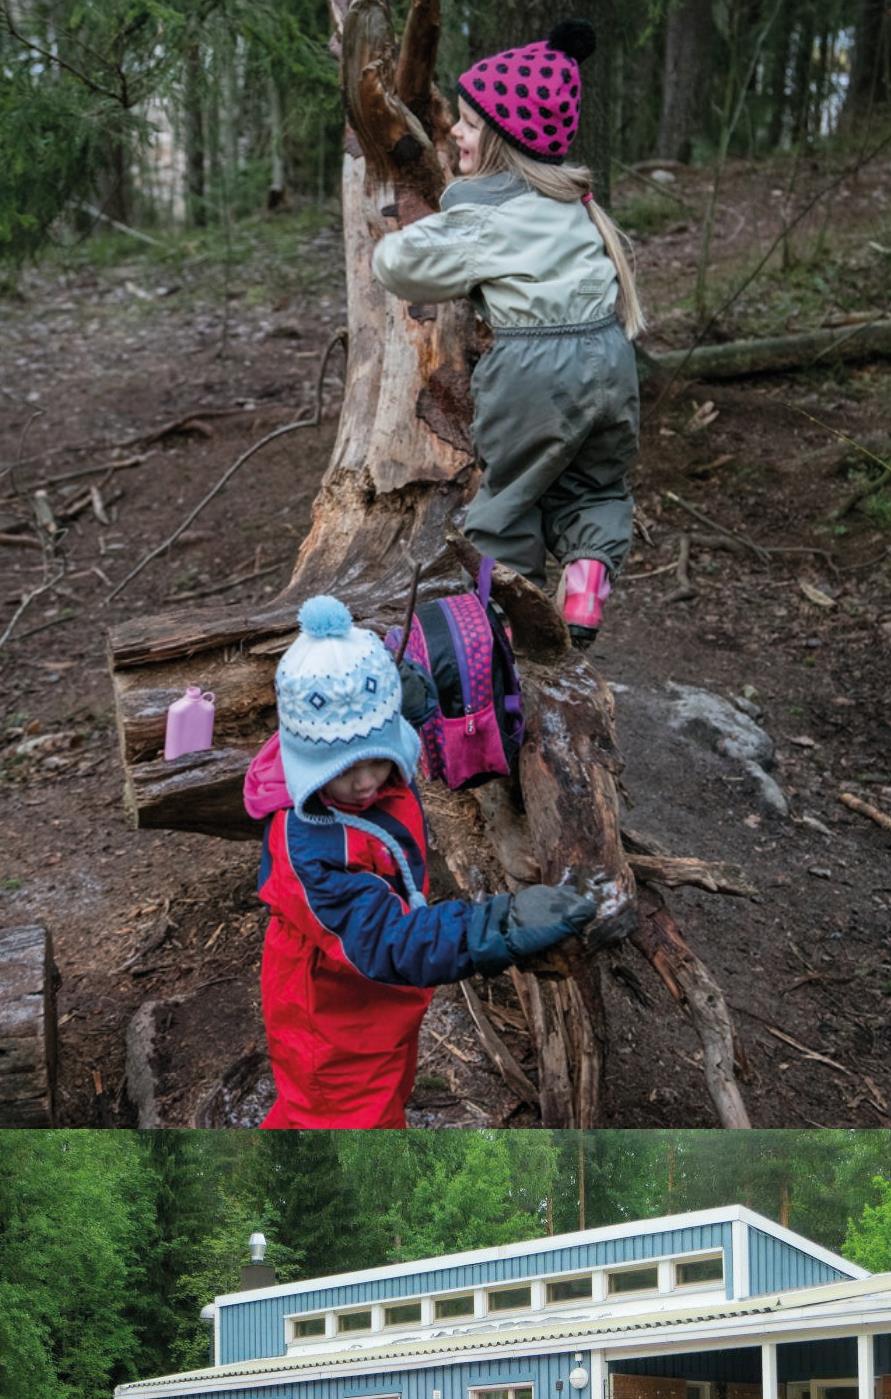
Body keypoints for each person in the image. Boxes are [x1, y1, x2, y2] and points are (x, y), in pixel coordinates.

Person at [244, 598, 633, 1129]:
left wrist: (404, 696)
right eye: (342, 767)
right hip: (334, 1021)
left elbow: (367, 725)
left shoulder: (357, 759)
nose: (366, 781)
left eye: (378, 756)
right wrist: (496, 927)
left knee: (367, 1100)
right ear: (307, 758)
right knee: (346, 1123)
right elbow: (384, 941)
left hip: (380, 1003)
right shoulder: (310, 850)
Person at [372, 21, 643, 645]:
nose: (456, 132)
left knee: (513, 493)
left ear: (500, 138)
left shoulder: (488, 212)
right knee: (594, 485)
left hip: (535, 376)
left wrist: (409, 231)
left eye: (467, 123)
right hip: (609, 360)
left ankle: (507, 630)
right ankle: (585, 580)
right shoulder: (574, 204)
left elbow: (398, 267)